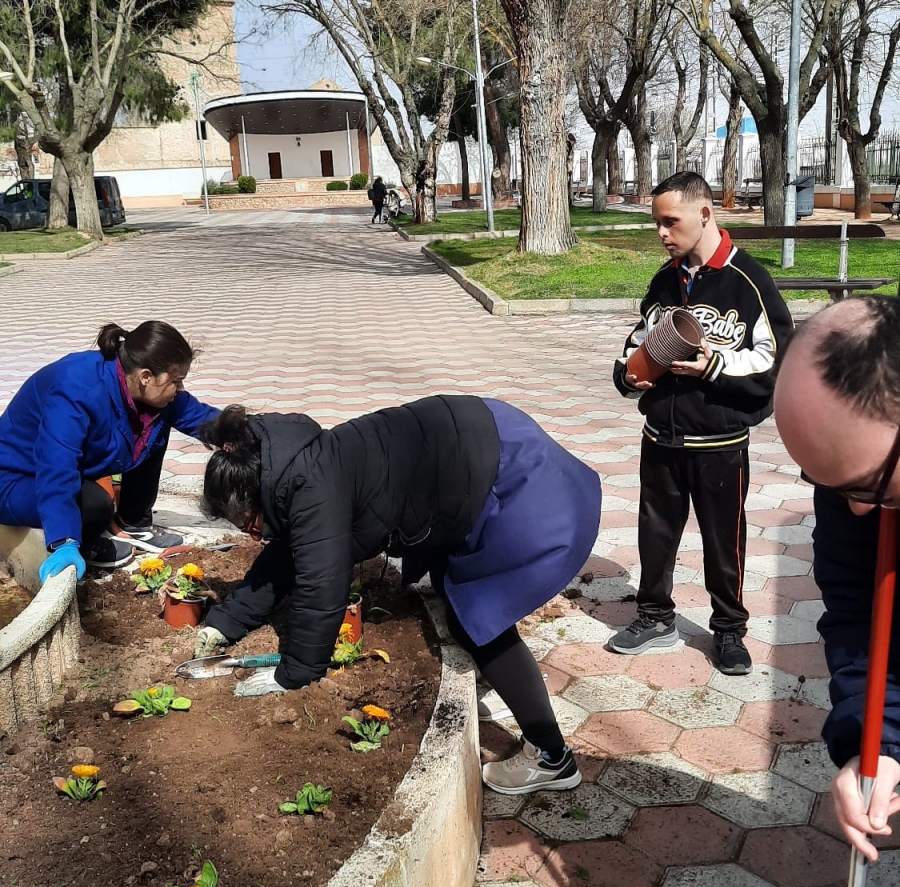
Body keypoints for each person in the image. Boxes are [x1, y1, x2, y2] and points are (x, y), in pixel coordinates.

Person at [192, 396, 602, 795]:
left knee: (478, 621)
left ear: (255, 494)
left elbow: (321, 585)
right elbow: (286, 556)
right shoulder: (288, 456)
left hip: (524, 486)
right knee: (453, 588)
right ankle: (493, 678)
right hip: (490, 436)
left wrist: (294, 672)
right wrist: (225, 623)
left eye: (248, 523)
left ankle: (552, 757)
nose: (253, 534)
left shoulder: (309, 488)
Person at [610, 171, 793, 674]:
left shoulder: (749, 280)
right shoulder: (665, 279)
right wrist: (628, 375)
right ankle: (654, 616)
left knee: (723, 540)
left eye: (670, 222)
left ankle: (729, 630)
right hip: (661, 437)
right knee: (656, 532)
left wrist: (715, 364)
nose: (662, 234)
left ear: (705, 214)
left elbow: (774, 360)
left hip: (721, 441)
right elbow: (640, 336)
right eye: (657, 223)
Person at [775, 295, 900, 861]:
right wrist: (879, 742)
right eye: (824, 484)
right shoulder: (857, 487)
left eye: (867, 486)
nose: (853, 513)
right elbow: (858, 615)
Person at [0, 321, 217, 580]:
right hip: (14, 478)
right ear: (146, 376)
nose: (180, 389)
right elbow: (56, 467)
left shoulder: (134, 378)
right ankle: (85, 541)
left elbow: (199, 416)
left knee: (154, 423)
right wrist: (64, 541)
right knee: (94, 505)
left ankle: (133, 522)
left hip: (52, 467)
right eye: (176, 381)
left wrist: (249, 432)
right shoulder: (75, 389)